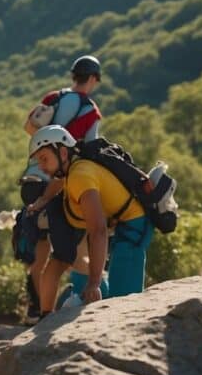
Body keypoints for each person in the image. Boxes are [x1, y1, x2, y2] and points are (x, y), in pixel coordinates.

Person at [29, 125, 154, 314]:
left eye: (44, 158)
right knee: (92, 284)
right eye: (39, 161)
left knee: (123, 303)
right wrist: (43, 200)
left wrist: (94, 282)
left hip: (133, 225)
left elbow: (98, 230)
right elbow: (57, 183)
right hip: (123, 225)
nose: (41, 166)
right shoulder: (73, 170)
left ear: (63, 153)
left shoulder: (79, 176)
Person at [19, 55, 103, 322]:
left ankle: (36, 310)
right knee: (70, 251)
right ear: (92, 79)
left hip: (32, 180)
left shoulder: (53, 98)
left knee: (41, 250)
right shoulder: (91, 111)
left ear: (73, 75)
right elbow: (91, 150)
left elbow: (29, 126)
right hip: (63, 184)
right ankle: (71, 304)